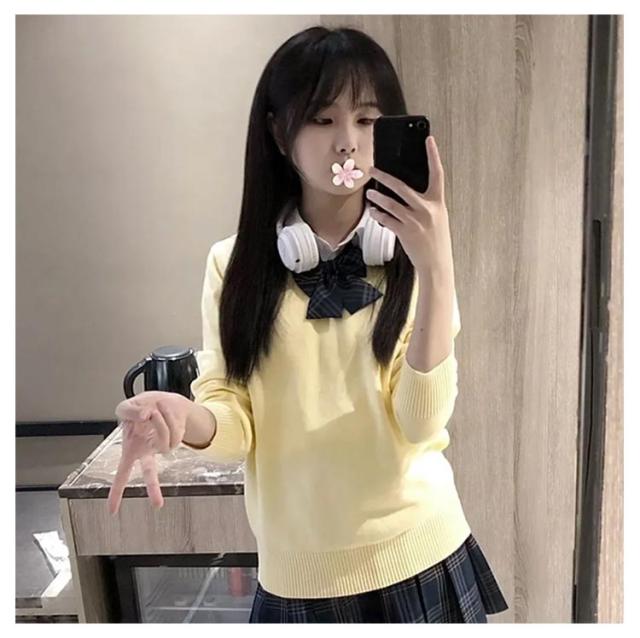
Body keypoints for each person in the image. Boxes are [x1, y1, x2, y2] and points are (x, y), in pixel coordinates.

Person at [108, 25, 509, 623]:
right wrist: (183, 418)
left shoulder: (416, 256)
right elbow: (236, 422)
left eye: (367, 120)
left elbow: (421, 421)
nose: (348, 142)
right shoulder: (233, 266)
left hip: (422, 552)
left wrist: (437, 267)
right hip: (298, 575)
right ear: (279, 132)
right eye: (323, 119)